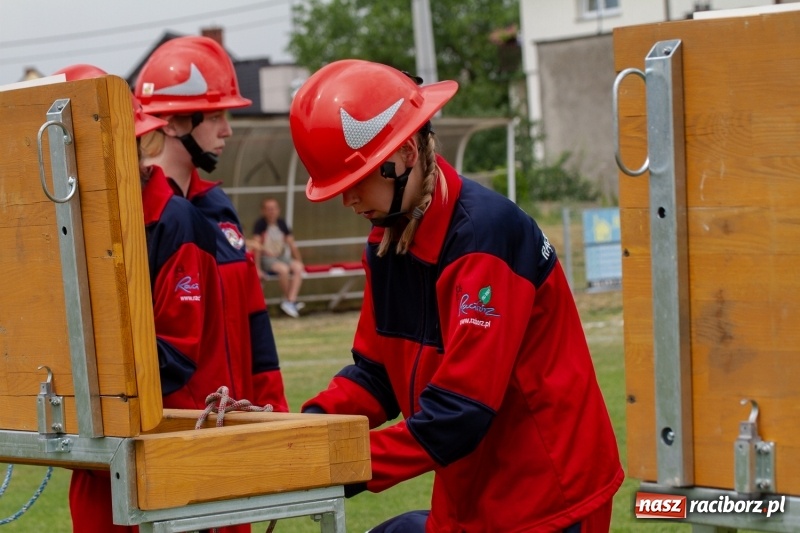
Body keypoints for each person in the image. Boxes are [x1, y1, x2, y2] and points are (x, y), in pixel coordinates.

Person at [289, 59, 624, 532]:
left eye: (355, 180)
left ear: (404, 153)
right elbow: (377, 374)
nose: (347, 200)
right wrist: (303, 433)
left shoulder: (484, 236)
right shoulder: (386, 241)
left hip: (547, 499)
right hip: (473, 491)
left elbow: (460, 413)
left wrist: (344, 466)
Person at [251, 197, 305, 317]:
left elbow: (292, 245)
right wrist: (257, 268)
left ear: (278, 210)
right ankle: (289, 300)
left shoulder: (282, 224)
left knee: (298, 267)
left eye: (274, 209)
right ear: (263, 211)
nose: (272, 211)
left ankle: (291, 299)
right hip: (267, 258)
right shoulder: (260, 225)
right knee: (283, 269)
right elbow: (256, 248)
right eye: (268, 209)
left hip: (280, 256)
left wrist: (299, 261)